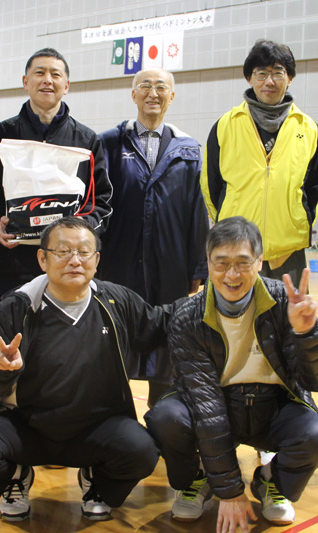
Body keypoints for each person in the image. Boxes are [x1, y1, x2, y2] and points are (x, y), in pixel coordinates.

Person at [0, 216, 172, 523]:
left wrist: (212, 300)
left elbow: (159, 324)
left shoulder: (115, 301)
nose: (75, 261)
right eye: (63, 251)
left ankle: (97, 481)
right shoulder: (17, 307)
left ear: (97, 260)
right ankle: (15, 476)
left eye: (84, 252)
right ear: (42, 258)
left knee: (142, 451)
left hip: (96, 429)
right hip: (26, 428)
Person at [145, 216, 318, 531]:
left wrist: (307, 333)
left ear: (260, 262)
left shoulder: (283, 302)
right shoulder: (187, 317)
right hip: (216, 402)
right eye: (221, 264)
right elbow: (207, 407)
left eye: (242, 263)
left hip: (272, 406)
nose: (231, 275)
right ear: (207, 263)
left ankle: (270, 480)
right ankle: (198, 477)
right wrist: (230, 491)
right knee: (165, 418)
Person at [97, 67, 208, 406]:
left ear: (171, 97)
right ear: (133, 94)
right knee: (115, 345)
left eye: (161, 87)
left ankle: (164, 422)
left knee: (169, 348)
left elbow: (196, 212)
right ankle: (114, 421)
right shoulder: (109, 143)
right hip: (118, 266)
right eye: (144, 85)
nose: (153, 93)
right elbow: (98, 203)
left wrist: (198, 268)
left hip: (170, 268)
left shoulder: (189, 150)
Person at [0, 48, 112, 307]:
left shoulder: (87, 140)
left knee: (63, 345)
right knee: (11, 341)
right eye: (39, 73)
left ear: (67, 85)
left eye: (55, 74)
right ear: (25, 82)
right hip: (12, 266)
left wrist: (76, 236)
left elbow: (101, 204)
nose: (47, 80)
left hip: (67, 267)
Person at [201, 39, 318, 287]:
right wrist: (227, 225)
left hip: (288, 253)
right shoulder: (225, 126)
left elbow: (314, 187)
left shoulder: (309, 129)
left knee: (290, 324)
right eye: (261, 74)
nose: (269, 81)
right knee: (233, 324)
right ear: (250, 78)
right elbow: (211, 186)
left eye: (278, 73)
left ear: (289, 78)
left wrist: (295, 223)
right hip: (235, 250)